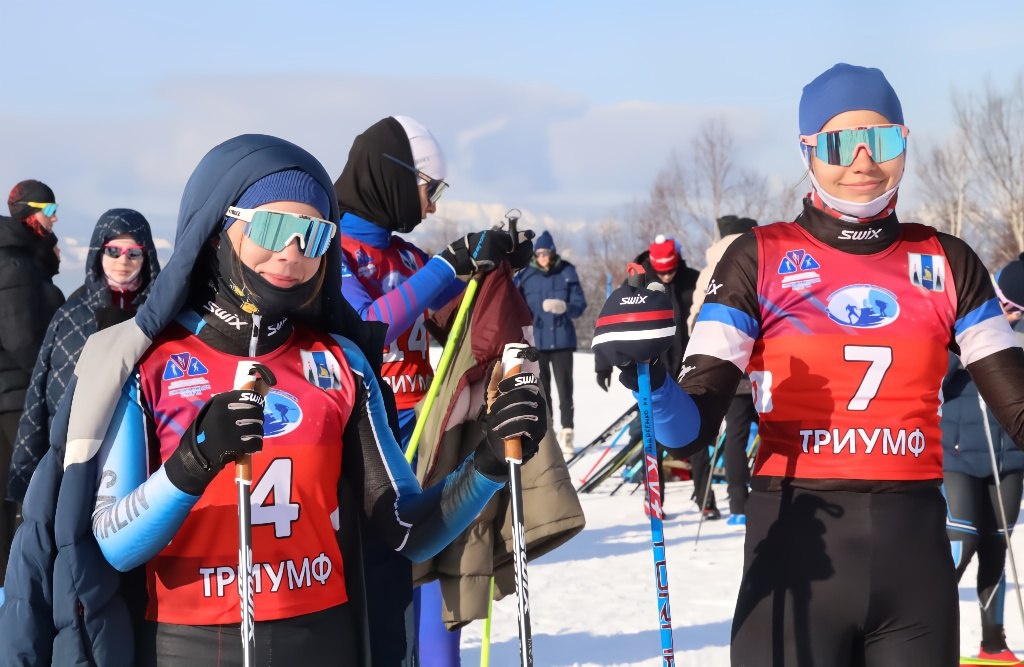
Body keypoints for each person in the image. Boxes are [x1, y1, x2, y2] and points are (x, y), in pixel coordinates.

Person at [0, 134, 547, 667]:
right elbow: (113, 543)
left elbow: (406, 527)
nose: (292, 252)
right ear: (217, 233)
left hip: (323, 640)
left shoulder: (340, 363)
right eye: (273, 227)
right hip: (187, 644)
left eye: (313, 236)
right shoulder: (151, 364)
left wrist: (490, 461)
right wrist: (191, 463)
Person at [592, 63, 1024, 664]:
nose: (865, 160)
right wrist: (654, 378)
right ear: (808, 151)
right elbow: (685, 431)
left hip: (914, 561)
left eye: (886, 139)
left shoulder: (947, 261)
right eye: (841, 142)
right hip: (796, 549)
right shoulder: (756, 258)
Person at [334, 115, 531, 666]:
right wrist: (448, 266)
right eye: (430, 190)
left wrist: (495, 277)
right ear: (395, 178)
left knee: (438, 597)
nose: (431, 208)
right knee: (380, 619)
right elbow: (368, 326)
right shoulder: (333, 254)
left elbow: (467, 330)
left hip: (427, 449)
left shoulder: (408, 259)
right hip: (362, 466)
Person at [7, 208, 161, 507]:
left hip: (140, 466)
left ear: (147, 258)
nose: (122, 262)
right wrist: (23, 476)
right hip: (73, 463)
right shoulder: (70, 317)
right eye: (113, 251)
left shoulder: (158, 320)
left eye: (133, 253)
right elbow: (37, 400)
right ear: (98, 253)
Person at [942, 256, 1024, 664]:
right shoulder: (966, 320)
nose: (1011, 316)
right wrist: (971, 347)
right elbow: (934, 373)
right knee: (963, 540)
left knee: (997, 547)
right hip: (957, 457)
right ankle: (920, 629)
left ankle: (993, 642)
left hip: (1008, 459)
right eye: (1007, 307)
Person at [595, 234, 712, 518]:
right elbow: (611, 325)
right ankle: (654, 498)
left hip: (690, 367)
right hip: (651, 372)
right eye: (663, 272)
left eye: (672, 270)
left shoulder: (693, 280)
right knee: (654, 437)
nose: (668, 276)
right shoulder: (634, 287)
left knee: (699, 433)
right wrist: (602, 363)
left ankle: (706, 498)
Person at [0, 180, 64, 589]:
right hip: (15, 399)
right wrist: (50, 386)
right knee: (22, 493)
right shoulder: (15, 264)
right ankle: (17, 585)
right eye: (50, 208)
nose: (55, 217)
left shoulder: (24, 258)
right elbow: (23, 338)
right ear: (30, 212)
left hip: (14, 394)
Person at [688, 215, 761, 525]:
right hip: (767, 365)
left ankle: (738, 503)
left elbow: (695, 321)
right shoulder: (761, 258)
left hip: (727, 366)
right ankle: (777, 493)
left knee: (735, 434)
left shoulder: (708, 271)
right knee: (778, 430)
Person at [517, 230, 587, 457]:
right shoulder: (526, 275)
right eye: (538, 253)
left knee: (565, 390)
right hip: (537, 343)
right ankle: (546, 435)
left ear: (553, 253)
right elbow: (517, 306)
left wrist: (566, 307)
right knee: (542, 391)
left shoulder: (567, 271)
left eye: (546, 253)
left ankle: (567, 432)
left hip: (563, 341)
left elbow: (580, 303)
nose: (542, 257)